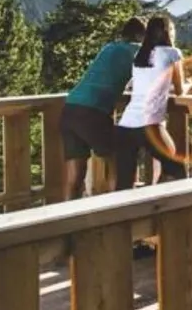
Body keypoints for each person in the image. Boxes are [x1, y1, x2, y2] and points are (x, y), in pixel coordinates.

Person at [60, 16, 146, 199]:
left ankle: (67, 218)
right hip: (93, 111)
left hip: (71, 108)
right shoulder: (137, 51)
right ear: (141, 35)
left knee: (75, 173)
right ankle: (118, 207)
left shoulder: (109, 48)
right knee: (120, 155)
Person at [114, 14, 192, 188]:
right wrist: (190, 85)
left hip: (126, 125)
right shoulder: (172, 53)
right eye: (172, 30)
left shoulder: (140, 56)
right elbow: (179, 90)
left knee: (124, 185)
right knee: (177, 170)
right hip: (150, 125)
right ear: (167, 32)